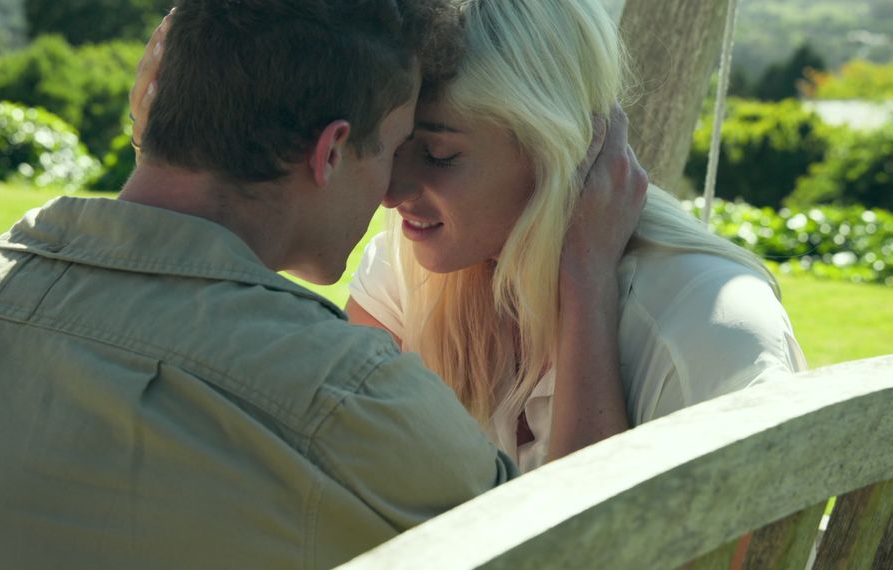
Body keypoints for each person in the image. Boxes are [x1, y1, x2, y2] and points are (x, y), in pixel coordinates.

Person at [0, 1, 646, 568]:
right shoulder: (348, 403)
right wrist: (584, 273)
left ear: (158, 102)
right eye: (392, 148)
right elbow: (584, 553)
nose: (392, 192)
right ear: (332, 152)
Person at [343, 0, 808, 473]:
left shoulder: (706, 328)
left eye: (439, 155)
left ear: (556, 149)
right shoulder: (403, 274)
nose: (391, 193)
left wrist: (586, 284)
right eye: (394, 146)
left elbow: (599, 519)